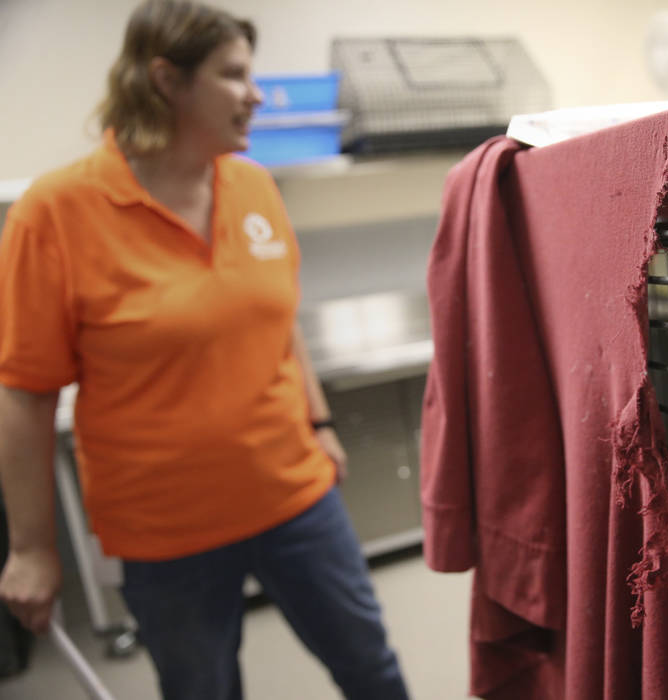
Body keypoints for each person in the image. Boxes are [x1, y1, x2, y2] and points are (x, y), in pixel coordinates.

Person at [0, 1, 411, 698]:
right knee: (202, 689)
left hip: (295, 496)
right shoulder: (55, 212)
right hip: (167, 531)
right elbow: (24, 393)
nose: (258, 94)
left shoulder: (252, 184)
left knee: (370, 665)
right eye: (235, 75)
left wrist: (318, 422)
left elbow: (280, 320)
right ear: (167, 80)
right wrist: (34, 548)